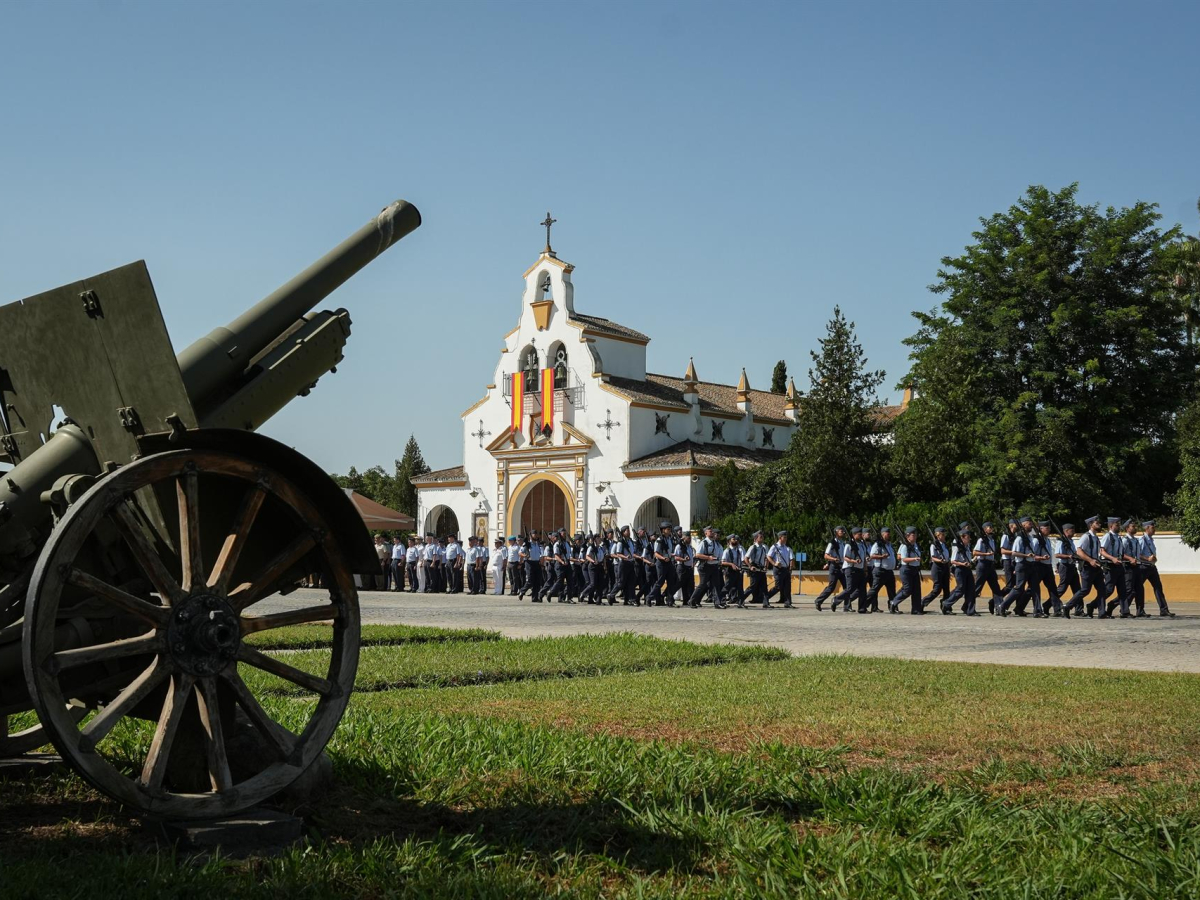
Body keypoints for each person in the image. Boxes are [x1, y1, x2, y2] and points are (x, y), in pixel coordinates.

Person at [1137, 521, 1176, 617]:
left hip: (1152, 567)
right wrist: (1147, 558)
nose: (1154, 529)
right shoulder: (1142, 540)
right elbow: (1137, 554)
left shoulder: (1151, 540)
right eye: (1152, 528)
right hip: (1143, 567)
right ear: (1147, 528)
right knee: (1136, 589)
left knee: (1158, 588)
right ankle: (1131, 608)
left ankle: (1164, 610)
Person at [688, 525, 725, 608]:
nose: (712, 532)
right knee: (702, 584)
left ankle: (717, 603)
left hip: (714, 566)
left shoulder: (715, 543)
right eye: (710, 531)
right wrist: (708, 557)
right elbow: (698, 555)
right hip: (705, 566)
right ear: (706, 533)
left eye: (712, 531)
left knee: (716, 585)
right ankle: (692, 600)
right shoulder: (703, 543)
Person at [1030, 521, 1062, 617]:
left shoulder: (1047, 540)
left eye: (1049, 528)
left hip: (1047, 566)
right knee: (1033, 589)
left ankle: (1057, 610)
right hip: (1038, 566)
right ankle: (1020, 606)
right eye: (1046, 528)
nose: (1049, 530)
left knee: (1053, 589)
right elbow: (1032, 555)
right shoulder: (1036, 540)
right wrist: (1041, 558)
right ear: (1040, 529)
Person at [943, 525, 976, 615]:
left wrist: (971, 561)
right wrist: (962, 564)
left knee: (971, 589)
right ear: (963, 538)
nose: (969, 539)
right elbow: (953, 561)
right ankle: (946, 603)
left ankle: (970, 610)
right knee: (960, 590)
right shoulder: (957, 547)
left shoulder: (966, 546)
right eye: (968, 537)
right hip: (960, 569)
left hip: (967, 569)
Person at [1100, 517, 1129, 618]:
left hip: (1119, 565)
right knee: (1109, 589)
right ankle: (1095, 604)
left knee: (1123, 590)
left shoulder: (1118, 537)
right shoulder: (1107, 536)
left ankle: (1125, 612)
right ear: (1111, 525)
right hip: (1110, 565)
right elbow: (1102, 551)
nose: (1119, 526)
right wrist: (1112, 558)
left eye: (1119, 524)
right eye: (1117, 525)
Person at [646, 521, 680, 607]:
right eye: (668, 529)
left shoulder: (669, 539)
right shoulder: (659, 540)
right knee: (660, 582)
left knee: (671, 581)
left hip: (669, 562)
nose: (669, 531)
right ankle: (649, 597)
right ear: (663, 530)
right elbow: (656, 553)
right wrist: (663, 558)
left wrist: (671, 555)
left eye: (670, 529)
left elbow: (668, 551)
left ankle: (670, 600)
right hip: (661, 563)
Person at [813, 525, 847, 610]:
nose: (843, 532)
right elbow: (826, 555)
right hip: (835, 566)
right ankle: (818, 601)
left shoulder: (843, 543)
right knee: (831, 587)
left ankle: (844, 605)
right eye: (841, 531)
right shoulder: (832, 543)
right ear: (836, 532)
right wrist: (834, 559)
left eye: (843, 530)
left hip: (842, 566)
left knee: (847, 588)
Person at [831, 526, 864, 612]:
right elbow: (845, 557)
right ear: (854, 535)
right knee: (850, 588)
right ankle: (836, 599)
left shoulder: (861, 544)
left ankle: (862, 608)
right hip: (850, 568)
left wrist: (865, 569)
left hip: (860, 569)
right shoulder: (849, 544)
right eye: (859, 534)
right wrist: (854, 561)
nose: (861, 535)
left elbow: (863, 558)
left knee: (862, 589)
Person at [864, 526, 897, 612]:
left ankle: (893, 607)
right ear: (882, 534)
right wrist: (882, 556)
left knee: (892, 591)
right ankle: (863, 605)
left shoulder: (889, 545)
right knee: (874, 590)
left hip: (889, 571)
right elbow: (872, 556)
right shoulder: (877, 545)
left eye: (889, 533)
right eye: (887, 533)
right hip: (880, 570)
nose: (889, 535)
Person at [974, 522, 1003, 614]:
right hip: (983, 564)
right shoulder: (981, 540)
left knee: (996, 587)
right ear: (984, 529)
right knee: (978, 587)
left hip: (990, 565)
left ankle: (1000, 607)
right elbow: (975, 552)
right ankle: (968, 605)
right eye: (989, 527)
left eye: (991, 527)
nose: (991, 528)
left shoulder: (992, 540)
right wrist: (986, 554)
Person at [892, 526, 923, 613]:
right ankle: (893, 602)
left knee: (916, 590)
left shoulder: (916, 545)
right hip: (907, 569)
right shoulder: (904, 546)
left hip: (915, 569)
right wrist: (914, 559)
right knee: (907, 589)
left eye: (915, 534)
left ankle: (916, 609)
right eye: (913, 535)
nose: (915, 536)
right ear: (908, 536)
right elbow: (903, 559)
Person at [920, 526, 951, 610]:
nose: (944, 536)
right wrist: (940, 560)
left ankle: (946, 606)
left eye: (944, 534)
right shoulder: (933, 545)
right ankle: (923, 602)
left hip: (945, 566)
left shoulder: (944, 545)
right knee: (937, 589)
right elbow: (933, 557)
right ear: (938, 535)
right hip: (937, 567)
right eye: (942, 535)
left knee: (946, 589)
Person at [607, 526, 639, 605]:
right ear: (623, 532)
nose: (629, 532)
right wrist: (625, 557)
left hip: (630, 563)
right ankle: (611, 595)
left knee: (631, 582)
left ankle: (630, 599)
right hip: (624, 563)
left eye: (629, 531)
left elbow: (633, 552)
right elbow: (618, 554)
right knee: (621, 582)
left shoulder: (630, 541)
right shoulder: (620, 542)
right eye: (627, 531)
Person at [1053, 524, 1080, 617]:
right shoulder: (1061, 541)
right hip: (1065, 566)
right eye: (1072, 530)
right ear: (1066, 531)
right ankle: (1049, 605)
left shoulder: (1070, 541)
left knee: (1077, 589)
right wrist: (1069, 556)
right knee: (1062, 588)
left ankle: (1079, 609)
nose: (1074, 532)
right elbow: (1057, 554)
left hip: (1072, 566)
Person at [741, 531, 770, 608]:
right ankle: (740, 600)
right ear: (756, 538)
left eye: (762, 536)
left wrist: (766, 566)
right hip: (754, 568)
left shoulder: (765, 547)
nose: (762, 538)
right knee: (752, 587)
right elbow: (746, 558)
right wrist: (750, 566)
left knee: (764, 587)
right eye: (760, 537)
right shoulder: (752, 547)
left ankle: (766, 603)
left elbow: (767, 558)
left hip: (761, 569)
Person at [721, 533, 744, 609]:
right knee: (727, 587)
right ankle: (722, 601)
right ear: (729, 541)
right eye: (733, 539)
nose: (735, 540)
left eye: (736, 539)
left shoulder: (738, 550)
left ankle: (740, 602)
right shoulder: (727, 551)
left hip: (738, 571)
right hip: (730, 571)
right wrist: (731, 564)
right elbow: (723, 562)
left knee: (740, 588)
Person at [674, 530, 695, 604]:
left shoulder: (689, 547)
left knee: (689, 584)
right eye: (688, 538)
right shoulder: (679, 546)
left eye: (690, 538)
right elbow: (676, 557)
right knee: (679, 584)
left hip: (689, 567)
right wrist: (683, 560)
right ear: (684, 538)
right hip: (681, 567)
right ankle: (669, 596)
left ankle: (687, 600)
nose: (690, 540)